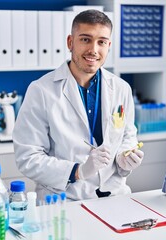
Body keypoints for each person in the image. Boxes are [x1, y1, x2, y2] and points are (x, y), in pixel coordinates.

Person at [12, 9, 144, 201]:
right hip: (64, 199)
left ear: (109, 45)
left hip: (115, 196)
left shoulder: (121, 88)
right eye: (85, 39)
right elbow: (28, 158)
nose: (93, 50)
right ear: (70, 42)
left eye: (101, 42)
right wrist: (77, 171)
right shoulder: (41, 90)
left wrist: (125, 157)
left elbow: (127, 135)